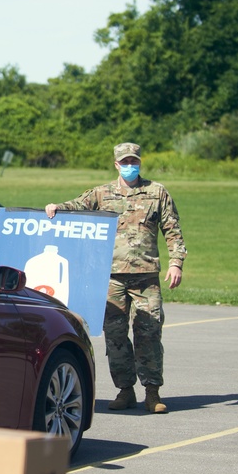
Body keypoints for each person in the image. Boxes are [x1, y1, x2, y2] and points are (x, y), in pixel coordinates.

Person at [45, 142, 186, 414]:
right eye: (125, 162)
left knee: (149, 333)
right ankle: (125, 390)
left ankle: (152, 393)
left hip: (146, 277)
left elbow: (173, 230)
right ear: (116, 165)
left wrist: (176, 263)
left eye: (134, 160)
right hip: (111, 278)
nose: (130, 165)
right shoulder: (102, 193)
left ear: (140, 162)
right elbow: (76, 206)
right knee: (116, 336)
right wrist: (55, 208)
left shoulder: (157, 192)